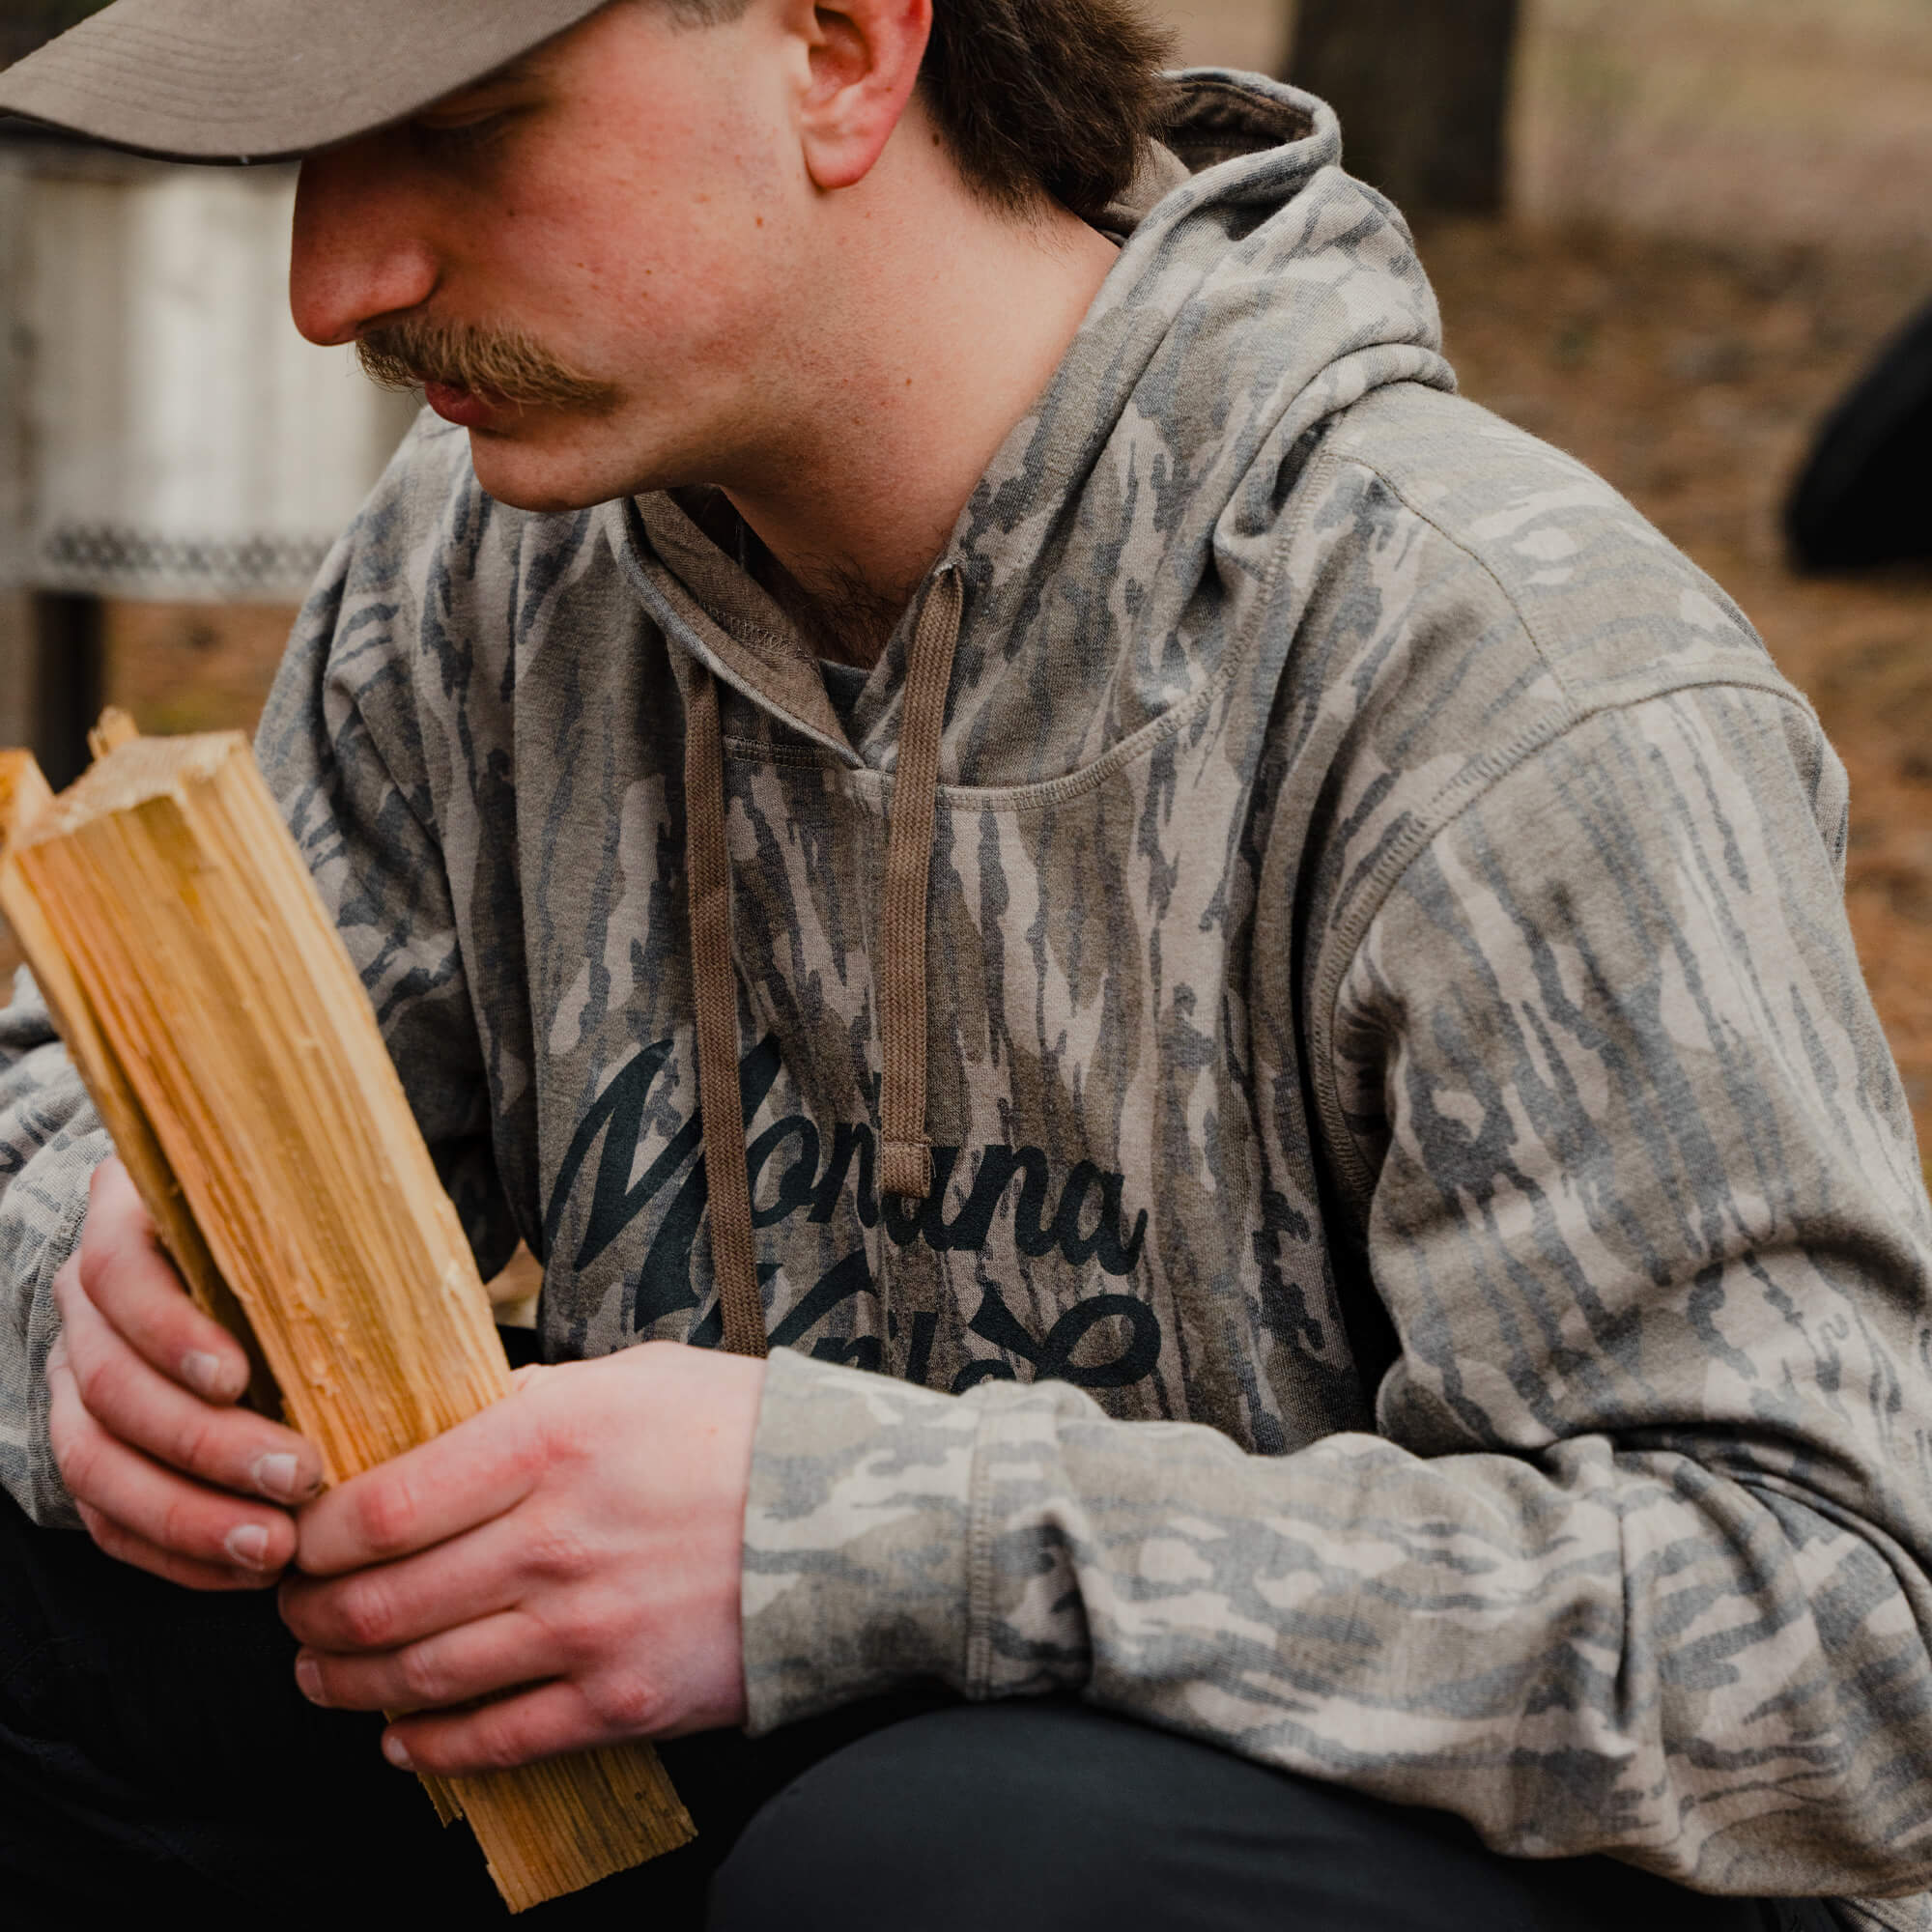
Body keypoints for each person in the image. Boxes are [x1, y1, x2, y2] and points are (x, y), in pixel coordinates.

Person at [0, 2, 1925, 1927]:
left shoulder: (1497, 668)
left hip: (1299, 1862)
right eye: (305, 160)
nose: (335, 283)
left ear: (842, 47)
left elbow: (1847, 1644)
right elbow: (54, 1133)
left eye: (474, 127)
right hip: (739, 1798)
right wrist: (95, 1313)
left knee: (947, 1867)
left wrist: (890, 1530)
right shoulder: (482, 578)